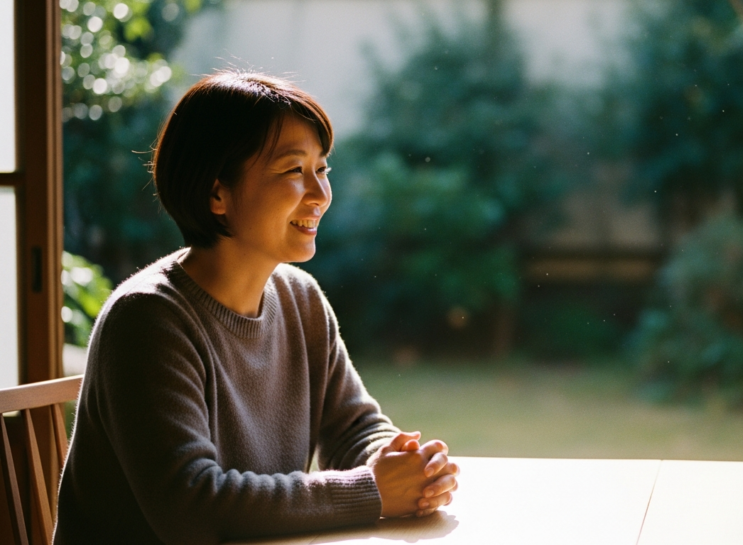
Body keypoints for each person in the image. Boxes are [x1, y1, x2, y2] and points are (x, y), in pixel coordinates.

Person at [54, 71, 459, 544]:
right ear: (216, 193)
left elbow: (353, 428)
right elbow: (191, 507)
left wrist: (406, 463)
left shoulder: (299, 298)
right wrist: (371, 489)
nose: (320, 194)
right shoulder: (147, 319)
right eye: (293, 170)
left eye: (322, 169)